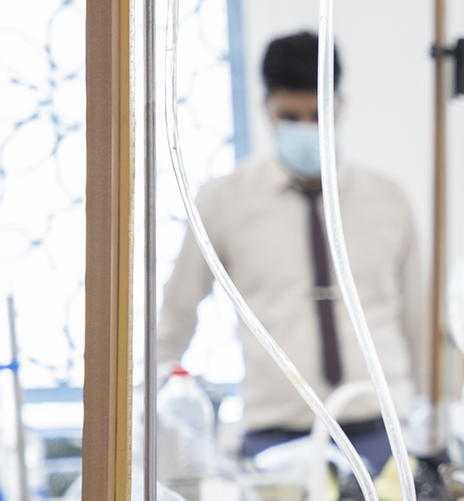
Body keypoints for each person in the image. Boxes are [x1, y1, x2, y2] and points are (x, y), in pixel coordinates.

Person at [160, 32, 428, 473]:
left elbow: (418, 321)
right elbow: (175, 320)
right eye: (289, 116)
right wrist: (143, 415)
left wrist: (435, 419)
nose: (305, 128)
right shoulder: (224, 201)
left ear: (340, 106)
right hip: (274, 437)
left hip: (383, 433)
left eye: (317, 115)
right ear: (266, 107)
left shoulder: (389, 201)